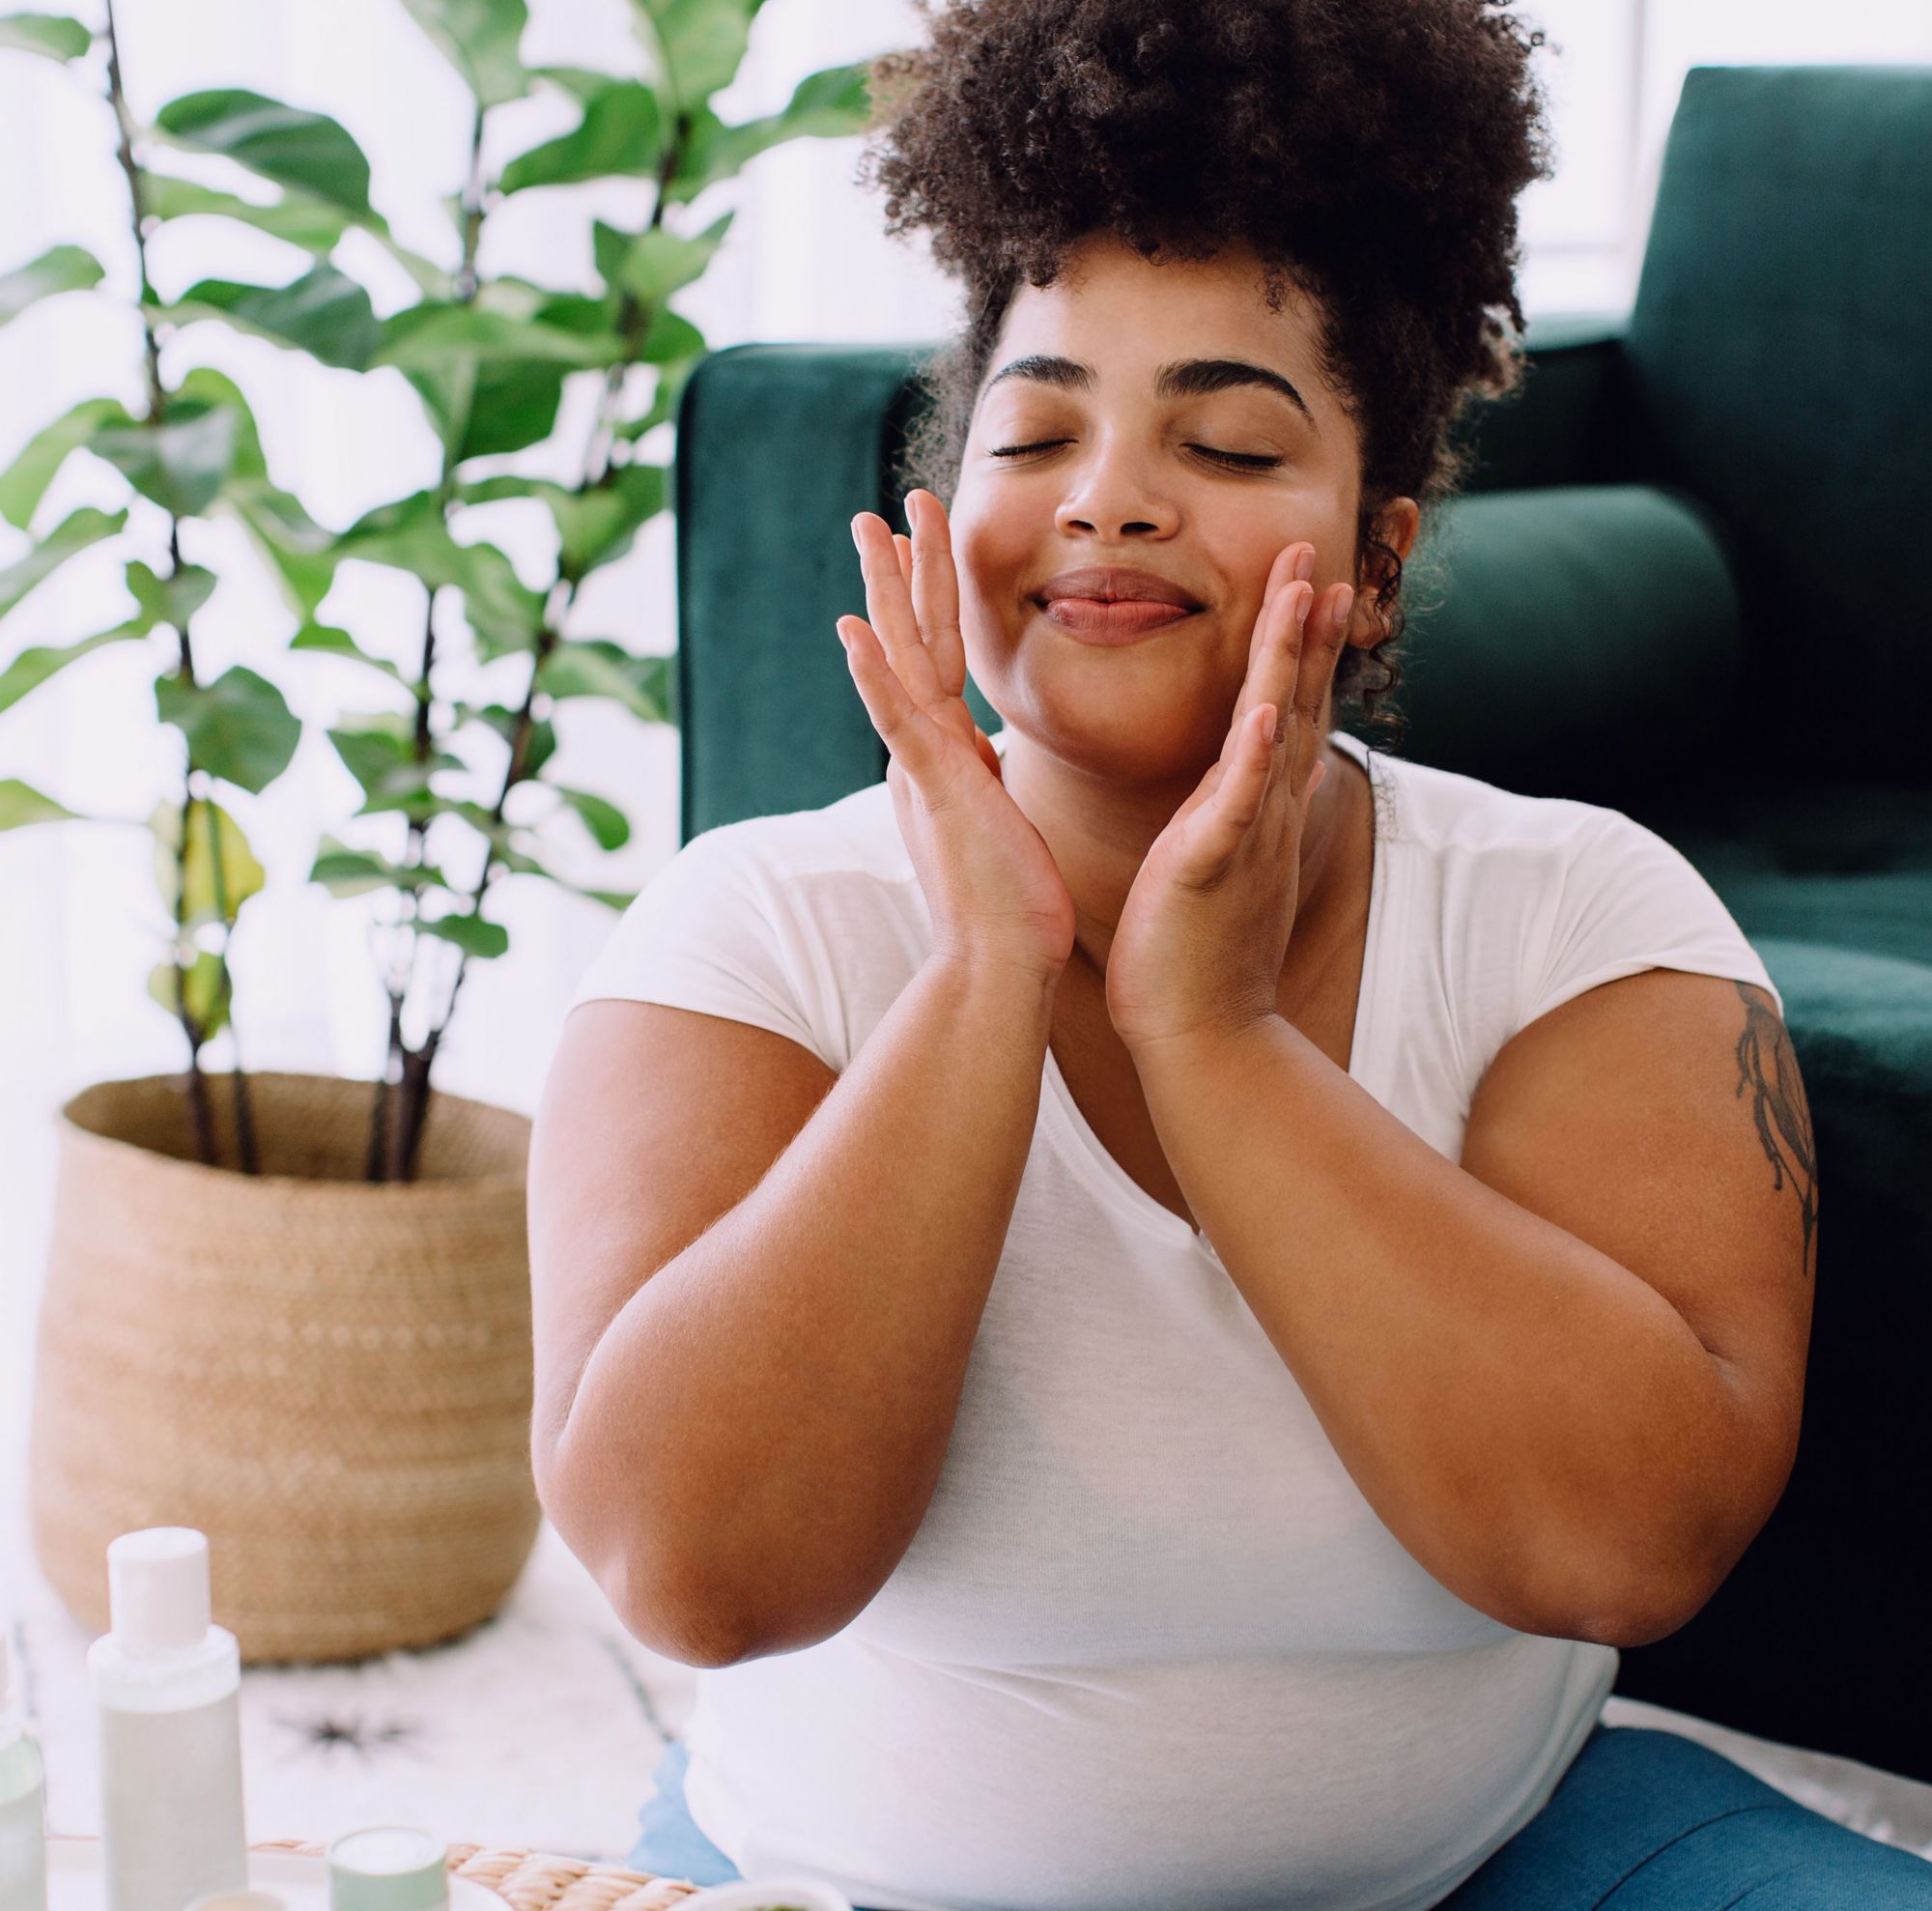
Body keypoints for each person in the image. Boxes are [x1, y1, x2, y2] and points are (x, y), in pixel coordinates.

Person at [527, 1, 1924, 1905]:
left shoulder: (1585, 919)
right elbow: (694, 1569)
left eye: (1228, 435)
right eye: (1037, 426)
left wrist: (1215, 1026)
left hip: (1510, 1857)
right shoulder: (749, 927)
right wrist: (976, 984)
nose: (1108, 488)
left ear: (1371, 553)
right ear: (949, 528)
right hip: (841, 1875)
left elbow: (1624, 1540)